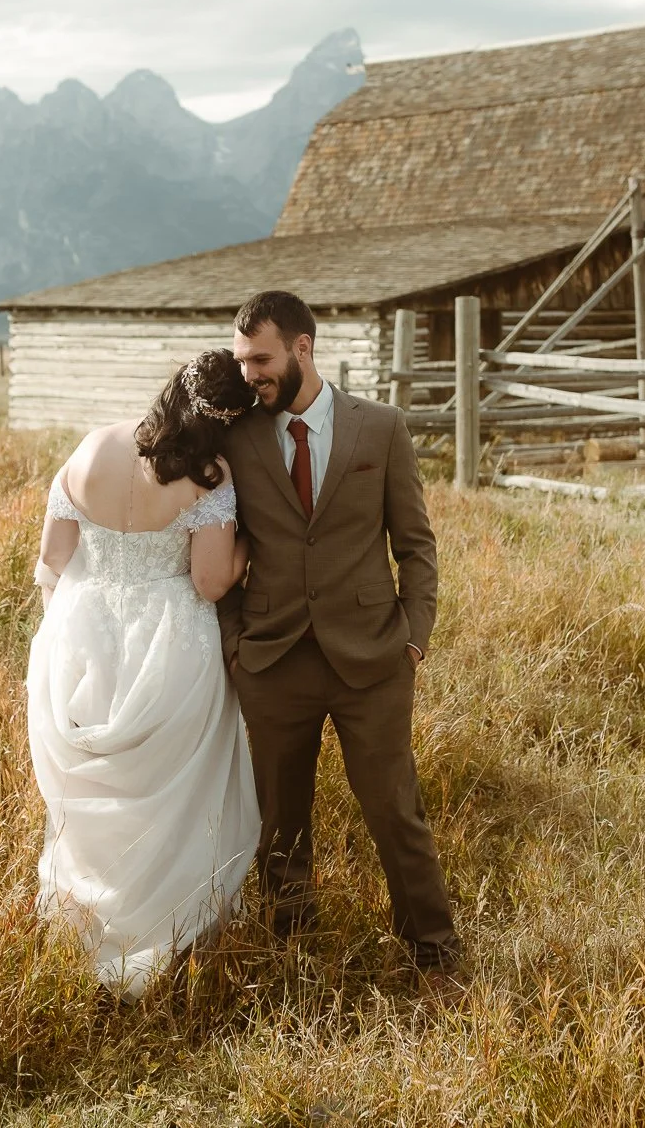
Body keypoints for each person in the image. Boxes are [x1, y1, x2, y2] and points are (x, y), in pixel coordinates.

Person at [219, 290, 461, 984]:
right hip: (272, 659)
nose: (249, 375)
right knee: (279, 825)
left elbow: (416, 544)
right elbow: (215, 543)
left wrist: (414, 636)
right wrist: (238, 644)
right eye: (241, 362)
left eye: (260, 359)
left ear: (302, 348)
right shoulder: (236, 436)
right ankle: (292, 953)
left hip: (374, 657)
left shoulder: (379, 427)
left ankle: (435, 954)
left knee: (394, 809)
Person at [26, 349, 261, 996]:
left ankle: (89, 918)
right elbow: (210, 581)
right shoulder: (209, 476)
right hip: (168, 643)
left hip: (82, 634)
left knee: (92, 794)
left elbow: (52, 558)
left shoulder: (92, 446)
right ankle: (169, 923)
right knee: (172, 792)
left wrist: (64, 633)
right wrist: (249, 547)